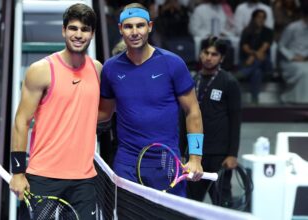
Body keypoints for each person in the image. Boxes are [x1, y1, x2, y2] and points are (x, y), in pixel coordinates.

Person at [98, 3, 204, 197]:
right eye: (129, 26)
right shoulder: (111, 69)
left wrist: (195, 158)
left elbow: (193, 111)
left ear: (150, 27)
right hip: (126, 162)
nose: (135, 31)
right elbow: (104, 113)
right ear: (120, 29)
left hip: (166, 162)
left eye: (140, 25)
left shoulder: (172, 63)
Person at [9, 4, 101, 220]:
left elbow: (98, 113)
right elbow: (21, 121)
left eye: (85, 29)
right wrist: (18, 172)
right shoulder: (40, 70)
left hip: (84, 180)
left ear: (92, 34)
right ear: (63, 30)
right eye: (73, 28)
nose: (78, 35)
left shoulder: (97, 70)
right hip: (43, 177)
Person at [185, 36, 241, 205]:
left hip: (219, 154)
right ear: (200, 54)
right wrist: (182, 151)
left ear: (222, 58)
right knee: (191, 202)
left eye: (214, 54)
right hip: (195, 153)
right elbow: (184, 117)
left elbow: (235, 119)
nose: (209, 57)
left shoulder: (229, 82)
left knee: (221, 202)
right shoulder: (192, 81)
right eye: (206, 52)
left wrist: (232, 154)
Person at [238, 9, 273, 104]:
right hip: (251, 63)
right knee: (256, 72)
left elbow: (264, 48)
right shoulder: (247, 31)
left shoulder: (268, 31)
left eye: (263, 18)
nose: (261, 20)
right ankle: (255, 99)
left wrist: (253, 56)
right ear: (253, 18)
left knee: (260, 60)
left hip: (265, 63)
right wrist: (254, 54)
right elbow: (245, 47)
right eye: (259, 17)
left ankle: (243, 73)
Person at [278, 8, 308, 104]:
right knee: (304, 72)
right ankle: (297, 100)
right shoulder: (292, 27)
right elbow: (281, 46)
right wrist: (293, 57)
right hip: (290, 61)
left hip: (305, 60)